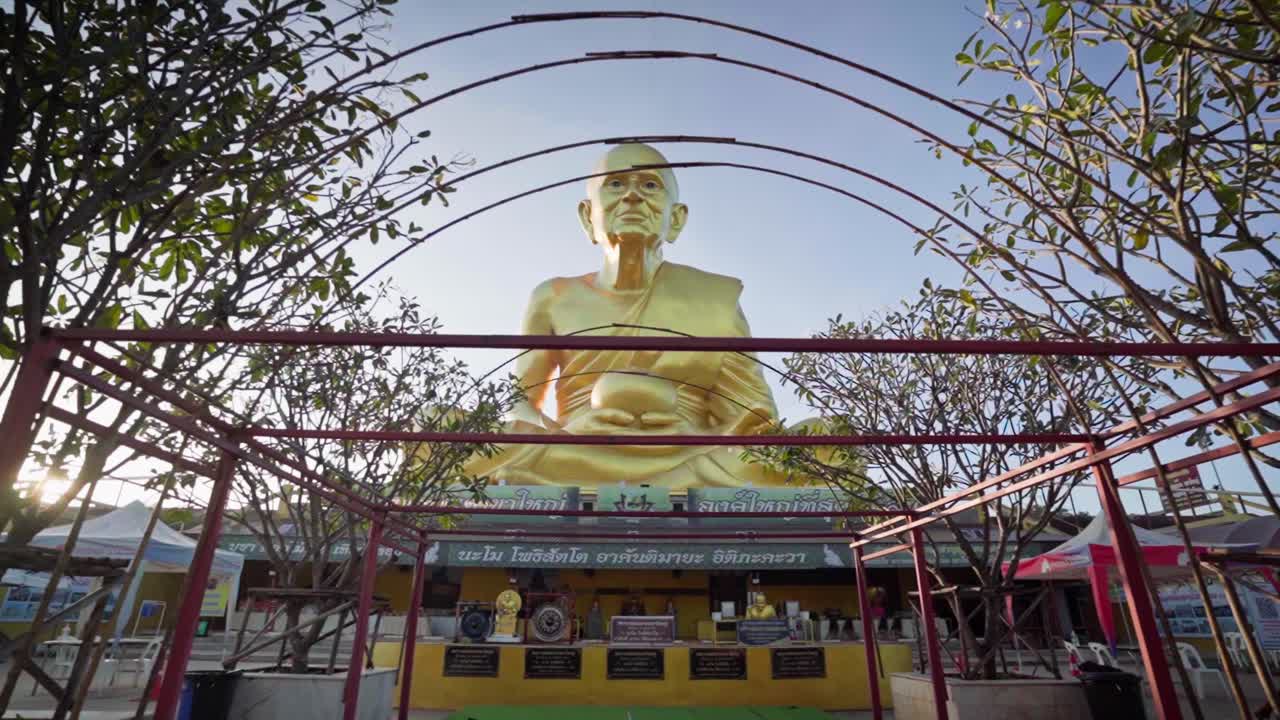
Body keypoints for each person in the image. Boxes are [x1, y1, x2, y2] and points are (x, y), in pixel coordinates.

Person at [461, 143, 789, 490]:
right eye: (616, 184)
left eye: (650, 185)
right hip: (577, 446)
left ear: (676, 218)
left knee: (817, 439)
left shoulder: (713, 298)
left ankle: (648, 478)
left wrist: (695, 435)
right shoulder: (553, 297)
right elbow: (519, 402)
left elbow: (754, 419)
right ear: (588, 215)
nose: (632, 196)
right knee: (437, 426)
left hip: (685, 451)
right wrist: (566, 434)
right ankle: (662, 483)